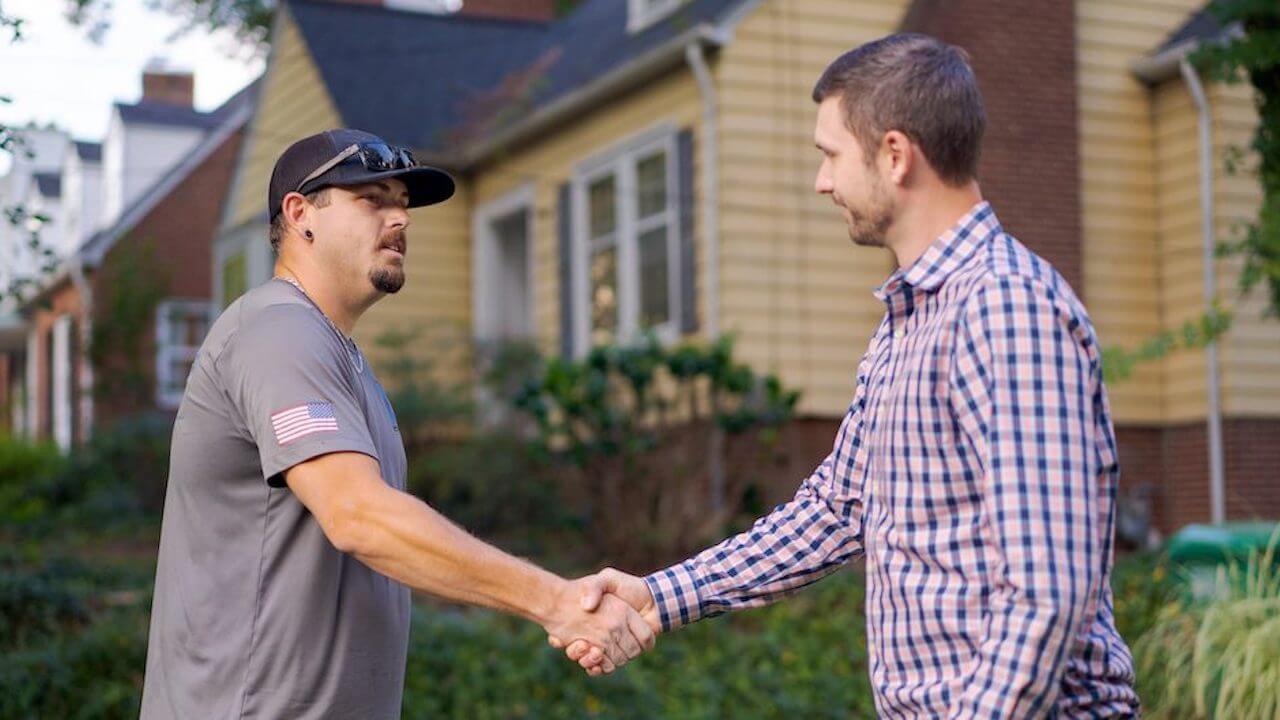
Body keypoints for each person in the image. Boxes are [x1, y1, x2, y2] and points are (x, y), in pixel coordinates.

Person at [559, 34, 1141, 718]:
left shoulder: (1004, 307)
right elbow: (834, 512)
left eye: (831, 155)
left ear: (894, 155)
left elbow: (1046, 591)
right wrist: (661, 596)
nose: (822, 181)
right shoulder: (910, 318)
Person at [140, 128, 652, 720]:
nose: (400, 219)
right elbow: (361, 517)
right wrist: (556, 600)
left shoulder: (342, 360)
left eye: (402, 205)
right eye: (372, 200)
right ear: (300, 213)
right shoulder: (277, 332)